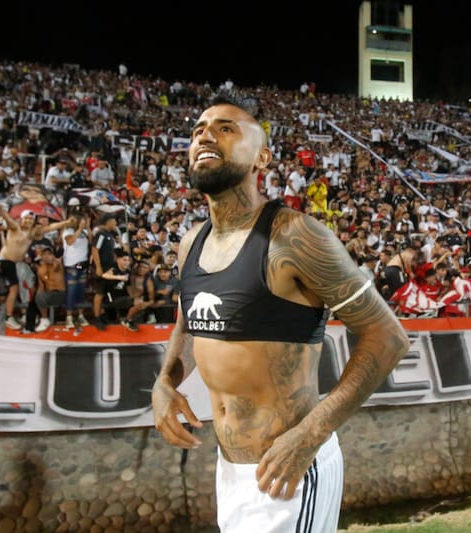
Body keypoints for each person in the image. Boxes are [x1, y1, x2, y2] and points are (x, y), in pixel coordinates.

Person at [151, 97, 408, 533]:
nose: (205, 135)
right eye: (198, 129)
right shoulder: (190, 242)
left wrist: (311, 436)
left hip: (288, 467)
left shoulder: (295, 236)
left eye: (226, 128)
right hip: (229, 468)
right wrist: (165, 380)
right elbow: (189, 324)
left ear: (262, 158)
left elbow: (388, 337)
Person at [33, 247, 66, 332]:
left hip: (60, 294)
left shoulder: (57, 264)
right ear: (42, 257)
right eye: (45, 254)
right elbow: (41, 286)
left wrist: (54, 260)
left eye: (49, 254)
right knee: (38, 295)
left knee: (41, 295)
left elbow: (56, 266)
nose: (47, 256)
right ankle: (44, 319)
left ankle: (44, 318)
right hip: (48, 294)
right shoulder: (41, 269)